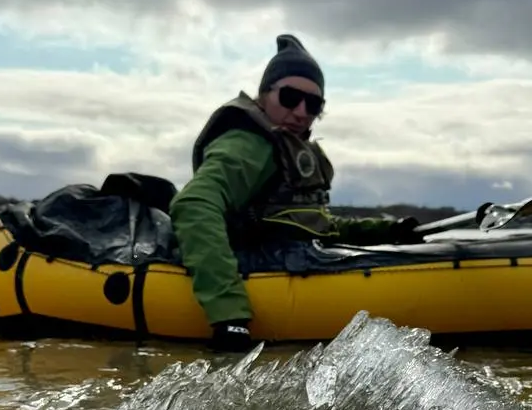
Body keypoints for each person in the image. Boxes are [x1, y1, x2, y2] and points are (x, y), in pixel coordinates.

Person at [170, 35, 423, 351]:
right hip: (249, 270)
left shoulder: (285, 149)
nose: (302, 111)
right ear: (263, 96)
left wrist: (387, 230)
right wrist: (229, 314)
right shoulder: (247, 146)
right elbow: (193, 204)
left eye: (314, 104)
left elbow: (313, 224)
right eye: (290, 97)